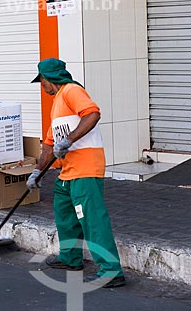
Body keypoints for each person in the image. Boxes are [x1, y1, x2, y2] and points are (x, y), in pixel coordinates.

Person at [27, 58, 125, 288]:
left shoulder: (72, 90)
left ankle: (111, 271)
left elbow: (92, 114)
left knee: (92, 219)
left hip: (85, 168)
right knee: (64, 214)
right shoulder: (57, 105)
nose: (41, 86)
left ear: (49, 78)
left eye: (41, 81)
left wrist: (70, 140)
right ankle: (70, 258)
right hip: (67, 172)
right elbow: (49, 146)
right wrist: (36, 172)